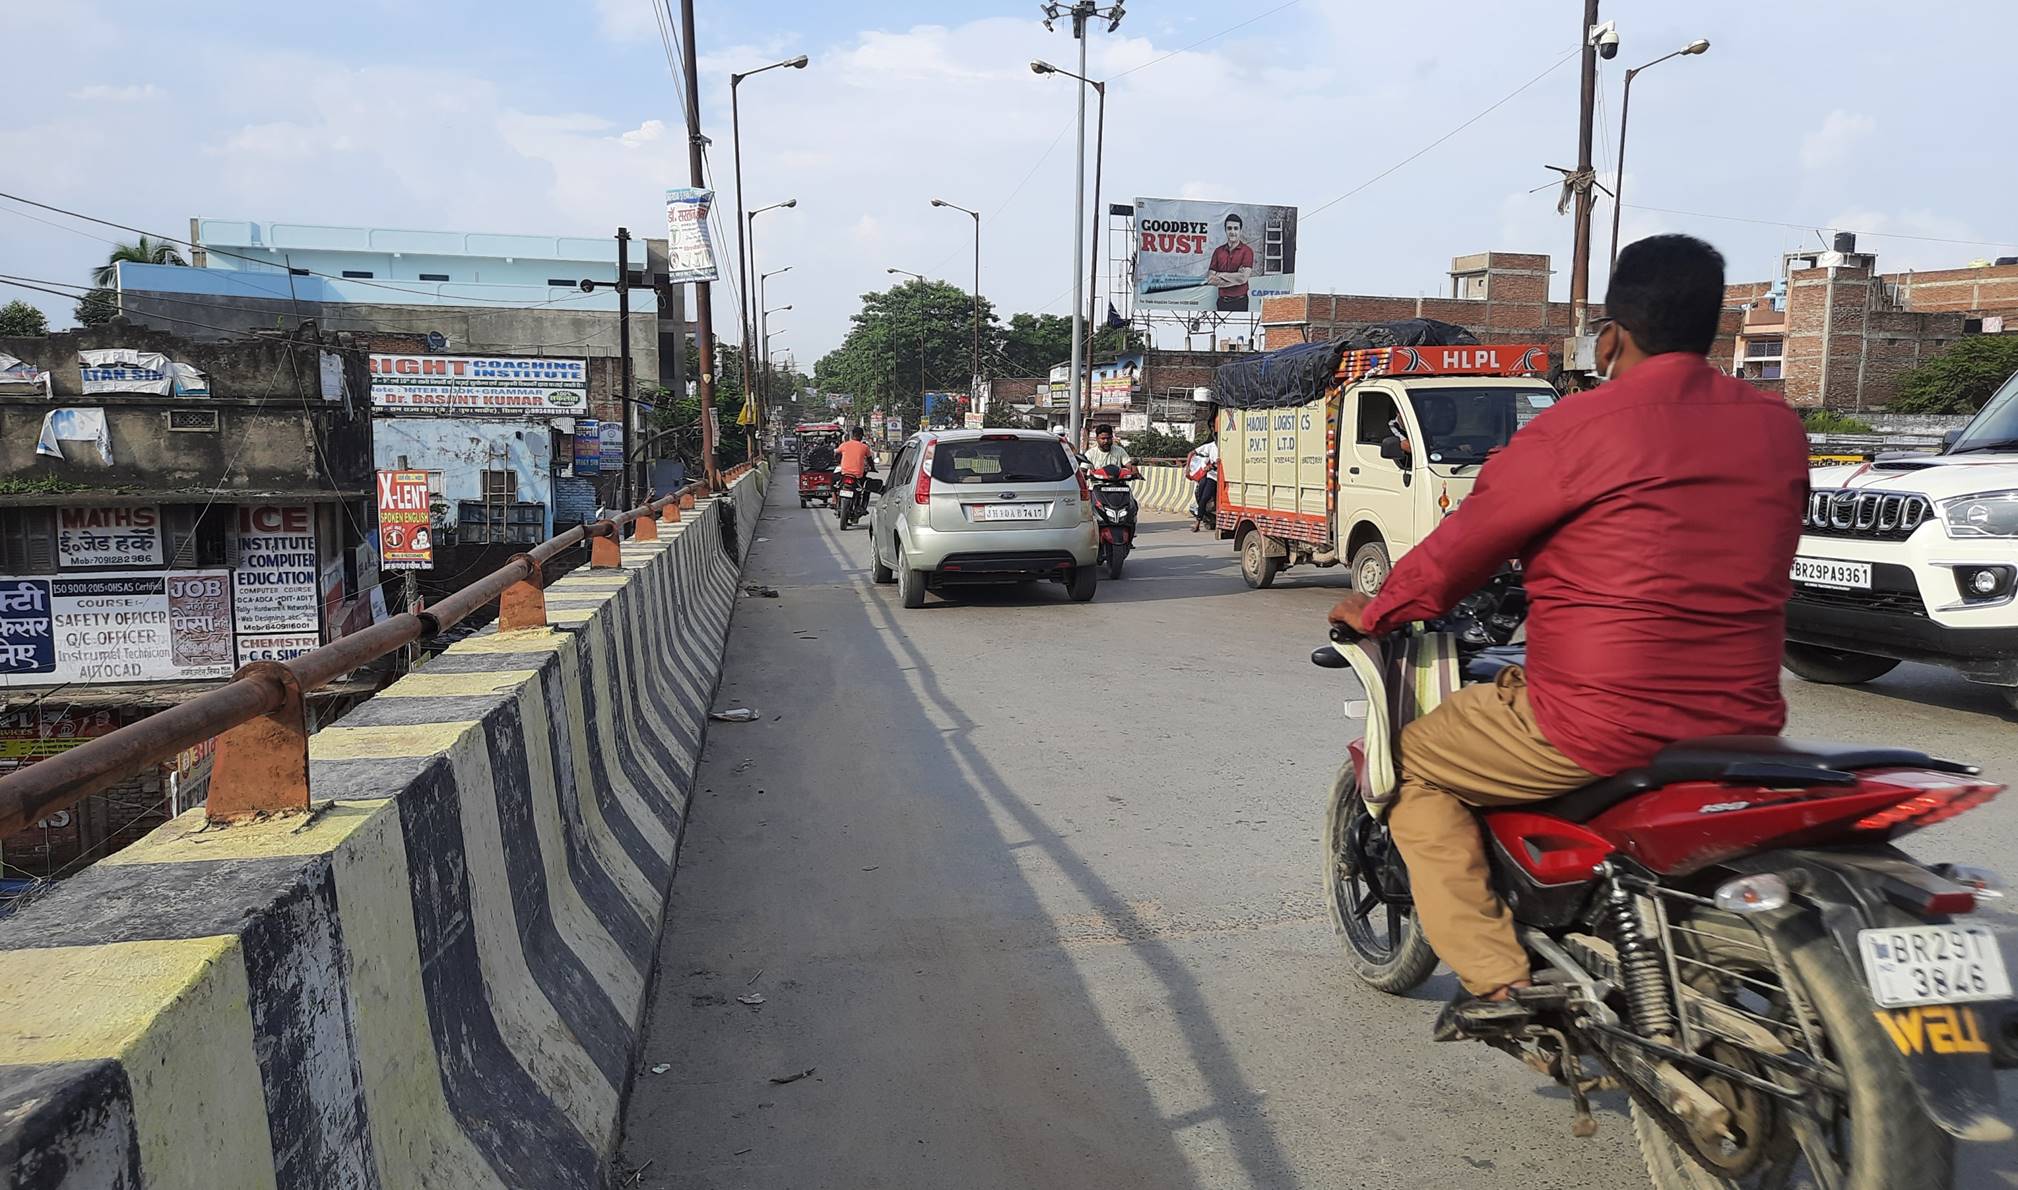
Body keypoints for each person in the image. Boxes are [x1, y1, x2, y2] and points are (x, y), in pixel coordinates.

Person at [1324, 235, 1809, 1039]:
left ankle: (1498, 981)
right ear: (1715, 328)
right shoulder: (1775, 427)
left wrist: (1376, 611)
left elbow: (1463, 545)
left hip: (1595, 718)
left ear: (1610, 337)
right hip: (1745, 720)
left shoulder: (1578, 425)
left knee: (1409, 767)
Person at [1204, 213, 1256, 312]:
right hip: (1222, 302)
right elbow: (1210, 280)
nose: (1232, 232)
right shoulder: (1218, 251)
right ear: (1225, 230)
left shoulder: (1247, 251)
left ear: (1240, 230)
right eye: (1229, 228)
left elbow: (1243, 278)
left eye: (1236, 228)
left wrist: (1220, 275)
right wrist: (1235, 278)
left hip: (1240, 302)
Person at [1184, 436, 1220, 532]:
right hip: (1212, 477)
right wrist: (1187, 468)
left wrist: (1212, 466)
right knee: (1204, 497)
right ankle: (1198, 522)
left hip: (1224, 477)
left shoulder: (1227, 447)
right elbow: (1191, 453)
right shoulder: (1210, 447)